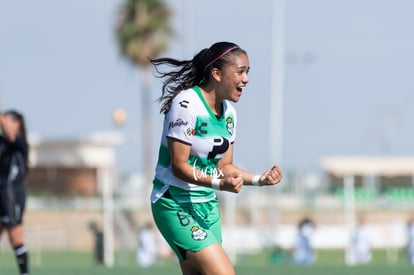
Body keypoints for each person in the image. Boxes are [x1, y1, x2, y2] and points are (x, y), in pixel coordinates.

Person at [149, 41, 283, 275]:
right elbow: (179, 167)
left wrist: (261, 179)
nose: (246, 79)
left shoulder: (229, 113)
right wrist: (219, 184)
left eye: (248, 72)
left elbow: (224, 166)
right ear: (217, 74)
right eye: (240, 72)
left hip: (207, 207)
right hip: (173, 202)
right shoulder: (186, 104)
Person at [0, 110, 30, 275]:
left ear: (17, 124)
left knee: (15, 238)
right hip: (0, 192)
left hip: (12, 194)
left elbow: (8, 132)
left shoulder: (18, 142)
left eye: (7, 119)